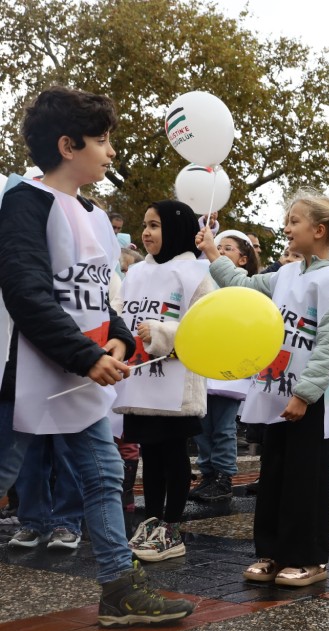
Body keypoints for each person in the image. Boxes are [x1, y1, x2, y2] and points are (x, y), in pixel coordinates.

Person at [0, 86, 193, 626]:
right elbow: (26, 291)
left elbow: (105, 294)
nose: (111, 152)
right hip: (19, 374)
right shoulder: (23, 201)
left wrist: (119, 339)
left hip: (80, 373)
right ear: (67, 145)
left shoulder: (96, 214)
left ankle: (118, 590)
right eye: (102, 140)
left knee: (105, 475)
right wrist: (85, 354)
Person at [197, 188, 329, 587]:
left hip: (311, 398)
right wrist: (212, 254)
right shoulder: (286, 273)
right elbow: (243, 285)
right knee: (275, 473)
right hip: (275, 391)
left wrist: (304, 394)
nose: (286, 229)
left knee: (307, 476)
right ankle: (271, 551)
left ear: (320, 230)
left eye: (294, 221)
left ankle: (308, 557)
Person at [113, 200, 214, 562]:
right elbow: (122, 314)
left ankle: (172, 526)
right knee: (149, 453)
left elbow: (205, 326)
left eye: (154, 225)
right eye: (144, 224)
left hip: (177, 381)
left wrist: (160, 331)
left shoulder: (195, 273)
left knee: (173, 453)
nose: (146, 232)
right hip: (141, 380)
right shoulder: (136, 272)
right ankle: (152, 519)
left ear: (173, 229)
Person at [190, 230, 259, 503]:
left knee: (223, 426)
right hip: (203, 362)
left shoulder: (246, 287)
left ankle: (223, 477)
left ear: (242, 259)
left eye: (226, 249)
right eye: (216, 247)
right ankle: (207, 473)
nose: (218, 251)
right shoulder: (205, 281)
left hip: (231, 367)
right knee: (202, 425)